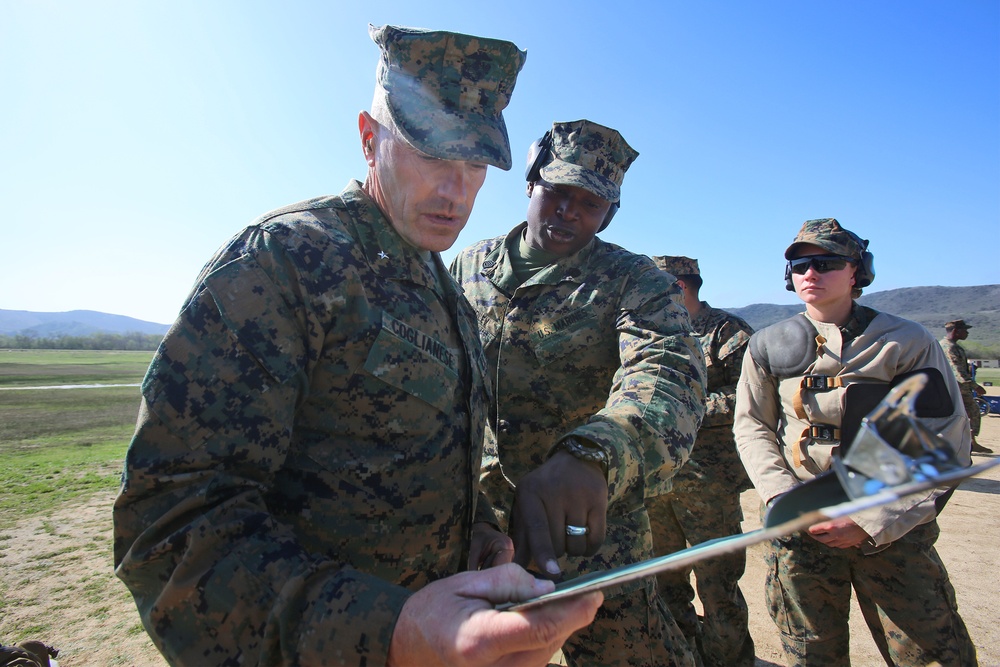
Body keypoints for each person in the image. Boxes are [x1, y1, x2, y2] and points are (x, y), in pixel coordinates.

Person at [112, 25, 605, 667]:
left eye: (476, 165)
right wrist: (387, 632)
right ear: (370, 142)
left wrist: (476, 530)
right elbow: (168, 528)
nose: (457, 194)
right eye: (431, 154)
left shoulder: (446, 295)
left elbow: (416, 456)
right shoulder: (285, 263)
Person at [449, 120, 708, 667]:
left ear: (609, 214)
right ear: (530, 185)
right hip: (478, 527)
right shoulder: (467, 267)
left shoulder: (633, 280)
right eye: (558, 193)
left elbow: (665, 372)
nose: (569, 211)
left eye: (590, 203)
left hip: (591, 530)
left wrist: (596, 452)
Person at [735, 218, 977, 666]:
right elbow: (752, 427)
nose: (811, 273)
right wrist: (784, 500)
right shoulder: (767, 345)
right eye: (800, 264)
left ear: (856, 272)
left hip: (891, 533)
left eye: (826, 262)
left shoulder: (905, 341)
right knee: (811, 655)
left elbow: (943, 438)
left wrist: (872, 520)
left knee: (931, 655)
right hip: (802, 530)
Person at [644, 256, 755, 667]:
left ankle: (728, 660)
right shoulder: (650, 330)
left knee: (717, 583)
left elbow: (752, 398)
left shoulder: (727, 332)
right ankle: (683, 657)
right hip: (658, 477)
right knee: (664, 579)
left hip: (709, 479)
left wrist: (686, 407)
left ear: (677, 285)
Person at [940, 319, 992, 454]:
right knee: (973, 412)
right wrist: (974, 386)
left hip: (948, 387)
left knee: (959, 415)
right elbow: (957, 370)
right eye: (965, 330)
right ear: (956, 331)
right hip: (959, 388)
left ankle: (967, 442)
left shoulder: (942, 345)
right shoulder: (951, 348)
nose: (967, 333)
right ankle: (969, 442)